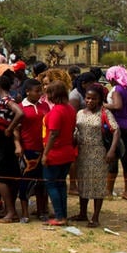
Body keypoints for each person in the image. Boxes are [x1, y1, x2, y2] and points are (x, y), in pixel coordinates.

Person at [72, 84, 119, 227]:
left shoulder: (105, 113)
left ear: (100, 99)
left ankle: (96, 216)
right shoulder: (79, 113)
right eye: (87, 98)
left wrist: (111, 151)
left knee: (97, 184)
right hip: (82, 152)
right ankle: (82, 213)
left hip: (98, 152)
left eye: (94, 99)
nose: (90, 101)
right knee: (83, 183)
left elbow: (116, 131)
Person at [0, 72, 25, 223]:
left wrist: (10, 128)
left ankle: (11, 211)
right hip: (0, 141)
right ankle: (8, 209)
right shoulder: (7, 100)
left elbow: (20, 113)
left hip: (4, 141)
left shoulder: (6, 100)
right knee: (7, 175)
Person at [41, 81, 78, 225]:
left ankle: (59, 216)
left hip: (55, 152)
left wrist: (46, 153)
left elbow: (54, 133)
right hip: (67, 151)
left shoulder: (57, 111)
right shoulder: (69, 109)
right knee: (61, 184)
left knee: (51, 184)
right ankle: (62, 214)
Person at [103, 65, 127, 200]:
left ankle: (109, 190)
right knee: (126, 156)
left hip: (115, 125)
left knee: (113, 155)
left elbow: (117, 106)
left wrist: (103, 105)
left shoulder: (117, 89)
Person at [18, 78, 48, 220]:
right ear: (27, 92)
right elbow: (16, 130)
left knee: (42, 182)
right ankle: (25, 212)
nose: (40, 93)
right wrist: (19, 146)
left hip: (43, 149)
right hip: (28, 150)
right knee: (26, 181)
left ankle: (42, 211)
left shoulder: (45, 106)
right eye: (37, 91)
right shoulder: (20, 107)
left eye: (40, 90)